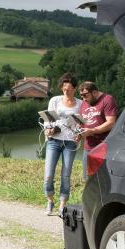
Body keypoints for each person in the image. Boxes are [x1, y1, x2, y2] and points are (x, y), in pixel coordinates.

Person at [43, 73, 82, 216]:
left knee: (66, 175)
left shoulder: (80, 104)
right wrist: (48, 129)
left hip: (70, 142)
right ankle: (50, 200)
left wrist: (80, 134)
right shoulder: (55, 100)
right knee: (48, 174)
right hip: (54, 141)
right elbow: (48, 119)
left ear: (75, 89)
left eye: (70, 89)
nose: (66, 92)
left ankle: (62, 204)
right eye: (64, 89)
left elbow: (81, 124)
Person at [78, 81, 119, 178]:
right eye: (81, 95)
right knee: (88, 179)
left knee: (104, 179)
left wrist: (92, 131)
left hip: (104, 146)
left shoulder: (107, 99)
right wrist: (79, 133)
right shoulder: (84, 103)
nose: (83, 98)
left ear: (95, 92)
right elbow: (82, 123)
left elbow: (111, 123)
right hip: (88, 147)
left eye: (85, 95)